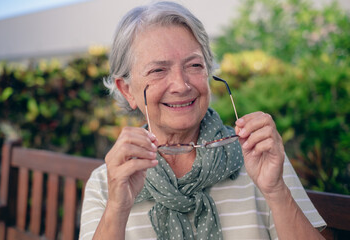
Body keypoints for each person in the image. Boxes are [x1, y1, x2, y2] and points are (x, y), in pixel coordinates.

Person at [79, 1, 326, 239]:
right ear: (127, 91)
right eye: (158, 70)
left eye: (194, 65)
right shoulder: (106, 184)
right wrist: (117, 208)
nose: (181, 84)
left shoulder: (260, 153)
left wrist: (276, 191)